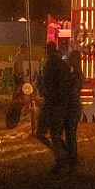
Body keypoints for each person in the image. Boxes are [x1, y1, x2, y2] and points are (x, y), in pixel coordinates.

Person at [35, 42, 70, 172]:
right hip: (61, 102)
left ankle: (60, 156)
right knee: (55, 133)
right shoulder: (63, 64)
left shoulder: (49, 64)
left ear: (47, 51)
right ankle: (65, 153)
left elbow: (47, 83)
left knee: (44, 133)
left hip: (51, 102)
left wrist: (42, 88)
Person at [62, 50, 84, 167]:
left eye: (70, 59)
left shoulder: (75, 75)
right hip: (74, 106)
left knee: (70, 134)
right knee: (70, 134)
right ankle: (71, 156)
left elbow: (73, 93)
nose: (68, 61)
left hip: (72, 106)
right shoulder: (77, 73)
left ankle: (72, 158)